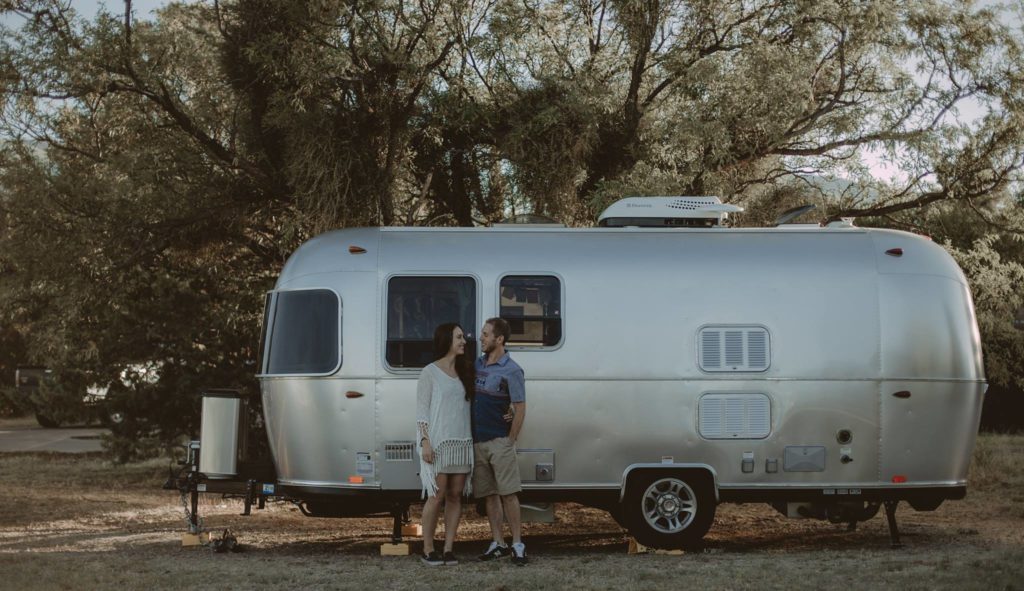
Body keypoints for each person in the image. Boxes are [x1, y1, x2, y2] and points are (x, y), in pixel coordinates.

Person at [416, 323, 475, 566]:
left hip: (461, 443)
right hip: (439, 443)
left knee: (455, 496)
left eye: (463, 337)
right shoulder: (429, 372)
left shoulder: (465, 371)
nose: (464, 341)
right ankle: (428, 549)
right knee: (436, 495)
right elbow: (422, 412)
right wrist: (425, 442)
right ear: (447, 340)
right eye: (459, 337)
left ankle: (449, 548)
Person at [473, 317, 528, 566]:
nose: (481, 338)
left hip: (499, 441)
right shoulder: (478, 364)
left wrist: (510, 440)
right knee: (489, 495)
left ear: (500, 339)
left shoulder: (512, 370)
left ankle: (517, 543)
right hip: (479, 441)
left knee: (508, 494)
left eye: (485, 334)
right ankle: (498, 543)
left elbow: (520, 407)